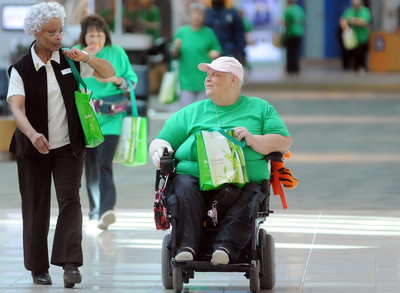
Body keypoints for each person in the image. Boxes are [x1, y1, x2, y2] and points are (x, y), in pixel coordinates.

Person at [6, 2, 115, 288]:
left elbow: (108, 71)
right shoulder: (21, 69)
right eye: (52, 32)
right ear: (35, 32)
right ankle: (38, 268)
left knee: (70, 201)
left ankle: (70, 265)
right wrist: (32, 134)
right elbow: (17, 109)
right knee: (35, 206)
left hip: (69, 146)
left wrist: (88, 58)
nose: (59, 36)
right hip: (32, 149)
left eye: (61, 30)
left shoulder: (71, 59)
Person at [149, 56, 291, 265]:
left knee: (251, 196)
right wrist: (159, 149)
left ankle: (226, 247)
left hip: (243, 182)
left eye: (216, 74)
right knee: (183, 185)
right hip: (196, 180)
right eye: (208, 74)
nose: (208, 79)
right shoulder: (192, 111)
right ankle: (186, 246)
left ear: (234, 80)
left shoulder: (260, 109)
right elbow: (162, 139)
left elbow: (283, 142)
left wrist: (254, 139)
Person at [74, 14, 138, 231]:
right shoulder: (76, 52)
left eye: (99, 34)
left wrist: (114, 79)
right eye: (90, 34)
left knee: (104, 163)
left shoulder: (117, 52)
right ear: (84, 36)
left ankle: (106, 210)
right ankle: (94, 211)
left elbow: (131, 81)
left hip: (112, 116)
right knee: (89, 164)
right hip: (86, 116)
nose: (95, 39)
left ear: (105, 35)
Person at [171, 3, 222, 108]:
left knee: (202, 112)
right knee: (187, 112)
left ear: (204, 17)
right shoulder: (181, 32)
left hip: (204, 79)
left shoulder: (208, 33)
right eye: (194, 13)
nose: (196, 16)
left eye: (200, 14)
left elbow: (217, 51)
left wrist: (214, 53)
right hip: (186, 79)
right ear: (189, 15)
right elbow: (174, 55)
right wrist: (175, 48)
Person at [204, 0, 247, 65]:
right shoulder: (206, 14)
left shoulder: (232, 13)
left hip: (229, 51)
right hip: (211, 53)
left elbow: (239, 34)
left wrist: (242, 53)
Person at [340, 0, 371, 73]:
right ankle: (348, 67)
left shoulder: (365, 11)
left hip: (361, 38)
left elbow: (363, 22)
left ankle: (361, 66)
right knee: (348, 53)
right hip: (352, 39)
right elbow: (343, 20)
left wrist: (351, 20)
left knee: (360, 54)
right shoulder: (350, 11)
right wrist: (346, 25)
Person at [282, 0, 306, 75]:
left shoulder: (288, 11)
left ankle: (290, 68)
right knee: (296, 51)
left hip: (291, 33)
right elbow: (304, 20)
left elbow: (286, 23)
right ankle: (296, 68)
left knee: (290, 51)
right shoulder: (299, 9)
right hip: (299, 32)